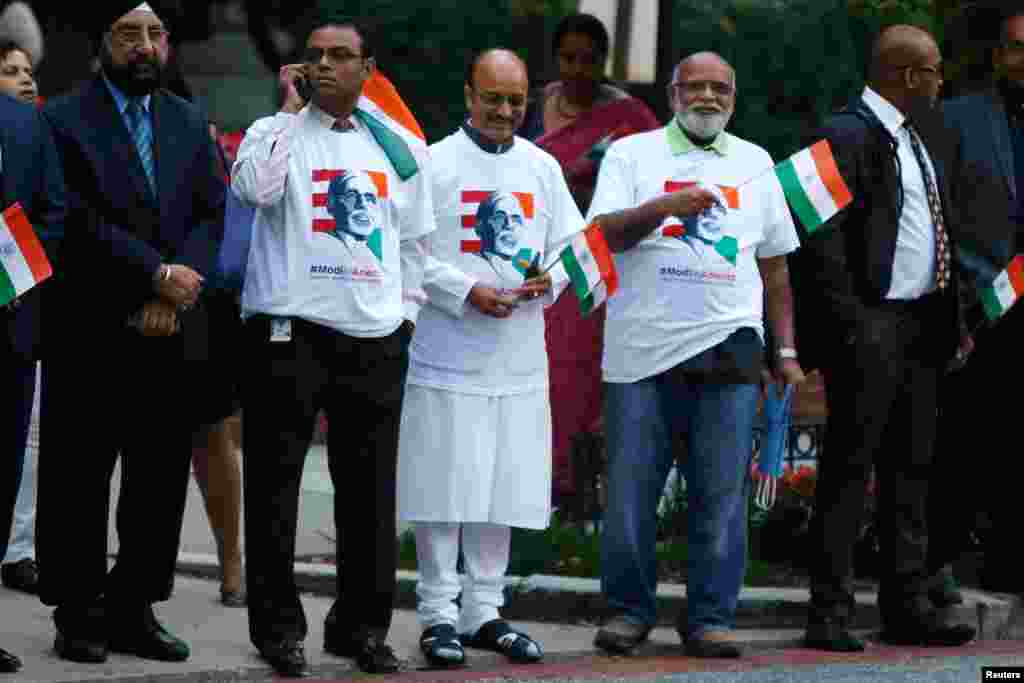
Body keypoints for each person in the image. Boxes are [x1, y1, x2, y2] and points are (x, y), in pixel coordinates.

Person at [231, 8, 433, 676]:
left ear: (367, 70)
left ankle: (361, 627)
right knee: (273, 489)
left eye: (338, 55)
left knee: (370, 493)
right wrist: (290, 111)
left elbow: (414, 243)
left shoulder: (397, 145)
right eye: (313, 54)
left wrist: (403, 317)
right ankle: (277, 630)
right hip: (288, 335)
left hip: (373, 338)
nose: (323, 64)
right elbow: (257, 189)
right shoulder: (272, 131)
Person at [587, 51, 804, 659]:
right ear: (672, 94)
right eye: (696, 87)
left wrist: (784, 348)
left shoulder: (757, 163)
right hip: (643, 353)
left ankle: (710, 617)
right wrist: (663, 208)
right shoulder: (634, 155)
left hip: (731, 349)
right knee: (631, 493)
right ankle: (628, 612)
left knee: (721, 495)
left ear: (733, 97)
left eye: (720, 88)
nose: (707, 97)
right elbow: (599, 234)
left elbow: (776, 267)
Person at [36, 0, 226, 665]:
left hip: (170, 329)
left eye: (154, 34)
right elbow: (70, 218)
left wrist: (183, 278)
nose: (144, 46)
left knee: (158, 477)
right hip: (90, 323)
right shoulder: (60, 120)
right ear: (103, 43)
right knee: (79, 475)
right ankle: (78, 610)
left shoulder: (188, 120)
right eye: (129, 34)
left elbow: (211, 211)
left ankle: (134, 606)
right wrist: (153, 273)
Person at [791, 25, 977, 652]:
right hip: (869, 328)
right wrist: (852, 324)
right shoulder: (840, 133)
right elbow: (819, 242)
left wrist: (952, 320)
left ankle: (908, 607)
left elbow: (936, 226)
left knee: (911, 470)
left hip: (923, 326)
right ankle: (830, 613)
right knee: (849, 468)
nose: (941, 81)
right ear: (905, 76)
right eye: (933, 71)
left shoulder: (921, 137)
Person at [397, 48, 582, 668]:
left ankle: (485, 610)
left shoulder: (543, 168)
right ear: (469, 96)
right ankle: (437, 614)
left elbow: (571, 250)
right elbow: (406, 250)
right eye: (494, 98)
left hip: (519, 356)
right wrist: (464, 289)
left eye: (516, 100)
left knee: (501, 485)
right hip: (447, 351)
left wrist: (546, 283)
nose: (505, 110)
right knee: (445, 484)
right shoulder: (433, 163)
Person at [520, 12, 660, 507]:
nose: (579, 69)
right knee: (540, 373)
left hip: (597, 263)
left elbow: (654, 183)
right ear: (555, 60)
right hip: (532, 258)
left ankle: (580, 493)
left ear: (605, 61)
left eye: (590, 59)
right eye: (569, 58)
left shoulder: (631, 118)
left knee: (582, 375)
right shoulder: (531, 108)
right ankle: (535, 492)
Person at [929, 3, 1024, 599]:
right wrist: (969, 289)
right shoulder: (958, 117)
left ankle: (1014, 562)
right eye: (1018, 47)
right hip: (981, 305)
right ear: (999, 55)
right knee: (963, 440)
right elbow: (937, 211)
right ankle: (941, 563)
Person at [0, 43, 65, 677]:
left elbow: (52, 212)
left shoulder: (28, 126)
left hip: (11, 321)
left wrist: (5, 270)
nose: (22, 82)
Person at [0, 38, 39, 601]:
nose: (24, 80)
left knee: (25, 447)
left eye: (28, 71)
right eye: (10, 72)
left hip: (27, 310)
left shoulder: (41, 139)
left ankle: (19, 549)